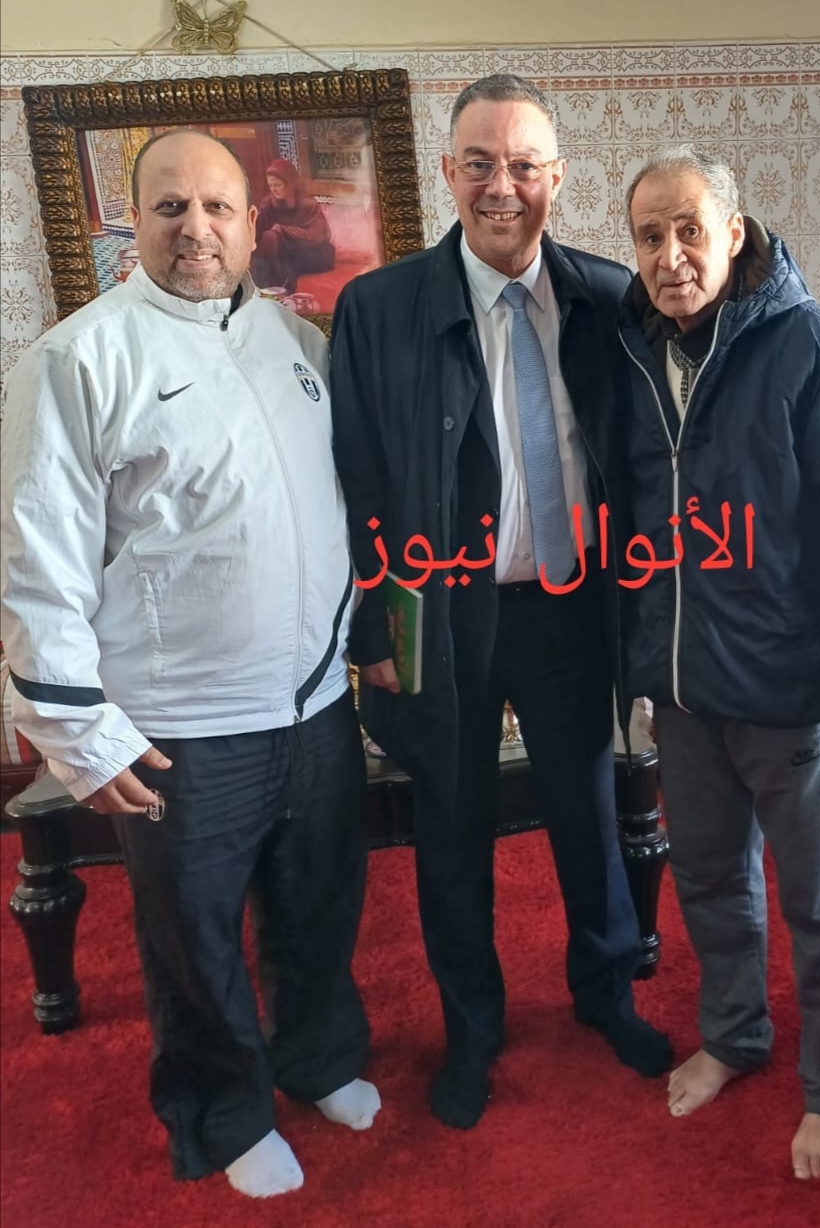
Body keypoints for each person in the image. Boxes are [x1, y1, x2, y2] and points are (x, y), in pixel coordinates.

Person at [0, 130, 379, 1199]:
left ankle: (318, 1057)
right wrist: (77, 730)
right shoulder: (79, 359)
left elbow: (330, 511)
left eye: (217, 208)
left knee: (319, 903)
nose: (196, 229)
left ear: (253, 224)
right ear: (136, 223)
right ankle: (224, 1112)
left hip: (314, 703)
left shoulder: (293, 343)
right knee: (193, 939)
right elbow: (36, 558)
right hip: (180, 725)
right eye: (171, 208)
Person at [330, 73, 671, 1130]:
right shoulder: (379, 310)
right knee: (453, 829)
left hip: (571, 606)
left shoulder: (611, 298)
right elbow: (358, 479)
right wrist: (374, 628)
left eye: (523, 165)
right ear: (448, 172)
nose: (501, 187)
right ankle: (471, 1032)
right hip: (442, 614)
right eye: (479, 163)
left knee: (589, 815)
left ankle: (606, 993)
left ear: (557, 178)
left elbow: (644, 461)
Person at [618, 146, 820, 1180]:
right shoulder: (633, 356)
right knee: (710, 881)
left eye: (689, 230)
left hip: (790, 691)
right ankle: (735, 1036)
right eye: (650, 237)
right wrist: (640, 667)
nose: (671, 255)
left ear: (734, 232)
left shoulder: (818, 347)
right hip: (685, 694)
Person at [252, 157, 335, 293]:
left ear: (290, 184)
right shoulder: (269, 203)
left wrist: (283, 230)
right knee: (268, 238)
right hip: (284, 251)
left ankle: (280, 288)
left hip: (313, 251)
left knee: (280, 247)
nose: (274, 190)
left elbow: (317, 236)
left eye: (278, 185)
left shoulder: (307, 204)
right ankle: (268, 287)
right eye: (271, 186)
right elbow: (257, 232)